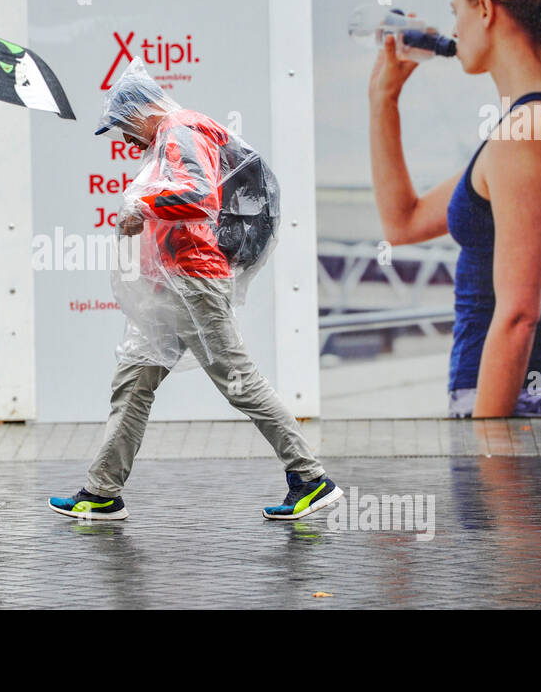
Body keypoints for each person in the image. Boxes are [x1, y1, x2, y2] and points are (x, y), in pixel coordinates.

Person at [48, 59, 342, 521]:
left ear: (141, 110)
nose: (123, 138)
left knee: (239, 381)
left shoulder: (179, 130)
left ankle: (310, 477)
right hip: (173, 285)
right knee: (134, 380)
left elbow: (199, 195)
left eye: (123, 125)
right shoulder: (175, 133)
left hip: (192, 280)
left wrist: (140, 204)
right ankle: (102, 491)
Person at [367, 0, 541, 418]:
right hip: (506, 404)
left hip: (513, 409)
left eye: (456, 10)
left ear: (485, 10)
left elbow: (519, 315)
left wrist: (487, 444)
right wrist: (383, 101)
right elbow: (404, 223)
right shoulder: (524, 128)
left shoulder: (525, 132)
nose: (453, 27)